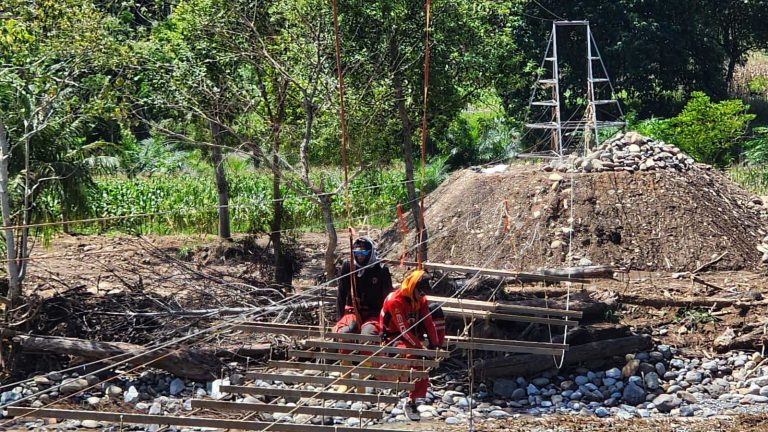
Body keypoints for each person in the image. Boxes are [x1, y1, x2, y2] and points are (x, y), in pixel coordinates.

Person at [379, 269, 446, 421]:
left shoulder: (420, 299)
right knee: (415, 357)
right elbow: (404, 330)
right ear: (413, 288)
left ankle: (415, 398)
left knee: (437, 312)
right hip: (394, 337)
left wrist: (435, 345)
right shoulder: (394, 301)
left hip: (411, 331)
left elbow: (428, 322)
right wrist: (419, 347)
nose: (423, 296)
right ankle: (411, 401)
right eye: (421, 292)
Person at [334, 237, 393, 338]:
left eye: (364, 253)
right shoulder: (348, 266)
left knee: (367, 335)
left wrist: (386, 324)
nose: (360, 256)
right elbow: (341, 293)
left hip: (373, 313)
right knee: (347, 331)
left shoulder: (381, 270)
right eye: (357, 253)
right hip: (352, 311)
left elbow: (388, 299)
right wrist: (339, 318)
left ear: (370, 253)